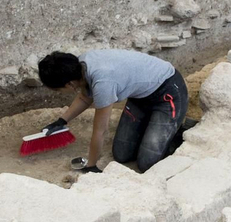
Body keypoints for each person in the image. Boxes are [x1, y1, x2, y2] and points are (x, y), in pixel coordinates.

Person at [36, 49, 190, 173]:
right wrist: (62, 121)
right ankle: (152, 123)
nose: (59, 92)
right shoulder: (80, 66)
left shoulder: (103, 82)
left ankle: (177, 131)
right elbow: (85, 97)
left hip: (168, 92)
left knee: (147, 163)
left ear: (69, 84)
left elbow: (100, 131)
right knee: (122, 155)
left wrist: (91, 165)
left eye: (58, 89)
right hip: (140, 98)